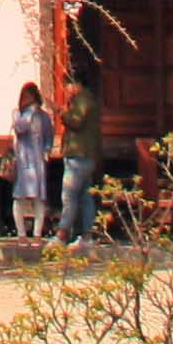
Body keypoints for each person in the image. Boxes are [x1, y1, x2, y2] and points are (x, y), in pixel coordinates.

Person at [7, 81, 57, 242]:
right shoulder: (17, 113)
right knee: (19, 197)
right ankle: (21, 234)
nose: (29, 100)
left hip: (38, 160)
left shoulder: (44, 116)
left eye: (31, 97)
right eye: (26, 97)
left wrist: (47, 151)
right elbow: (20, 129)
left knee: (39, 198)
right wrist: (28, 113)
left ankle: (37, 234)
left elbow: (49, 136)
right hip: (22, 159)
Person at [58, 80, 103, 244]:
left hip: (79, 154)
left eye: (67, 86)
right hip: (87, 154)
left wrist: (61, 113)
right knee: (85, 197)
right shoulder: (86, 99)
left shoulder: (82, 100)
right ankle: (86, 236)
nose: (66, 90)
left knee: (69, 195)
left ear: (76, 84)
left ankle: (62, 234)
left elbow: (76, 121)